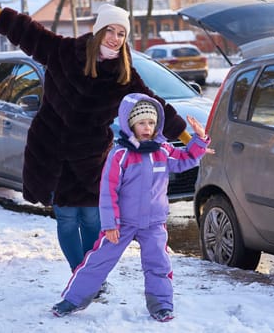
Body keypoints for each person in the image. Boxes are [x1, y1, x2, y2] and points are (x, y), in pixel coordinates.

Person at [0, 0, 191, 273]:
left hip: (91, 159)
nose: (115, 38)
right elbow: (26, 31)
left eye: (121, 33)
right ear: (98, 31)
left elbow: (153, 104)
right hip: (52, 152)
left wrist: (186, 136)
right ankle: (80, 273)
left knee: (95, 221)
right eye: (110, 30)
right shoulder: (64, 51)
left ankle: (91, 274)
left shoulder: (124, 76)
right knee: (68, 220)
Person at [51, 93, 211, 321]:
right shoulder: (120, 154)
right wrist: (109, 224)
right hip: (122, 223)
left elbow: (186, 159)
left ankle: (161, 305)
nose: (147, 127)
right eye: (142, 123)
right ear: (130, 124)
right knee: (98, 261)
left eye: (151, 123)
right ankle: (73, 300)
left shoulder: (162, 150)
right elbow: (108, 192)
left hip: (154, 223)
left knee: (158, 264)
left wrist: (200, 140)